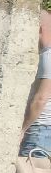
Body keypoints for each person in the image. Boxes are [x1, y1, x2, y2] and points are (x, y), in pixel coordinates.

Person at [19, 9, 51, 156]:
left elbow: (41, 99)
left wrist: (23, 129)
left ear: (40, 29)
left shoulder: (48, 55)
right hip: (45, 131)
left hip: (39, 131)